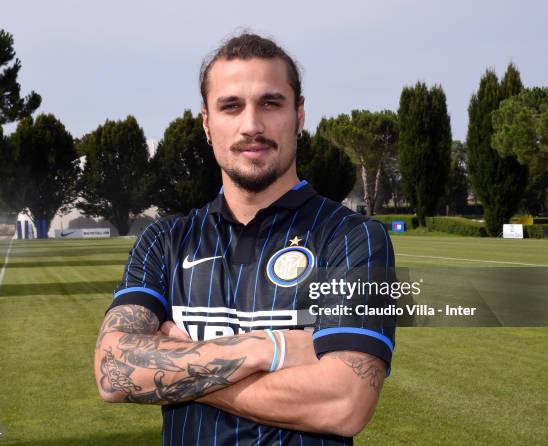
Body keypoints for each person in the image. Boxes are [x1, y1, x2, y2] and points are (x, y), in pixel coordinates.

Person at [94, 32, 396, 445]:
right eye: (231, 106)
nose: (251, 125)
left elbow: (344, 404)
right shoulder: (165, 241)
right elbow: (113, 372)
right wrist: (267, 348)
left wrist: (178, 369)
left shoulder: (354, 238)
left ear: (299, 115)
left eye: (270, 104)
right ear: (206, 122)